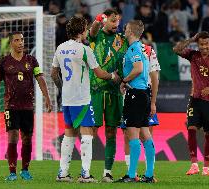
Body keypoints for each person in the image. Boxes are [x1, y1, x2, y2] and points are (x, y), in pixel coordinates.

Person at [51, 16, 120, 183]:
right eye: (85, 29)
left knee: (69, 134)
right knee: (87, 134)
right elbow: (99, 73)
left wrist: (64, 88)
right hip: (82, 99)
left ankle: (63, 173)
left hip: (66, 100)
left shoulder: (60, 48)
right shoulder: (84, 50)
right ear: (82, 31)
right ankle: (85, 174)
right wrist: (113, 76)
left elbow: (54, 74)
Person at [0, 31, 52, 181]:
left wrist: (47, 97)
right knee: (13, 136)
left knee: (27, 138)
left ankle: (25, 170)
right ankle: (12, 172)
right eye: (17, 40)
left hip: (28, 106)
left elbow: (40, 78)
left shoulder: (32, 60)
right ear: (11, 43)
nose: (20, 42)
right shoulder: (3, 62)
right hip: (11, 106)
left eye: (22, 39)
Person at [173, 31, 209, 176]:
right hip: (194, 99)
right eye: (201, 44)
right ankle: (194, 165)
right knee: (191, 128)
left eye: (206, 43)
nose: (203, 47)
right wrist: (191, 39)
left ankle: (206, 169)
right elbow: (176, 49)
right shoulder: (192, 55)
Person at [88, 8, 128, 182]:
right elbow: (92, 31)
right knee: (92, 131)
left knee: (111, 132)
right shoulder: (96, 37)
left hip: (115, 92)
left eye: (118, 21)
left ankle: (107, 172)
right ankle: (85, 171)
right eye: (113, 20)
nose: (116, 24)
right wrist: (97, 21)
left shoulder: (122, 40)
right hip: (96, 90)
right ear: (105, 21)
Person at [117, 20, 155, 183]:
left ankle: (132, 175)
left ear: (131, 31)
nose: (123, 31)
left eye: (125, 29)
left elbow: (138, 68)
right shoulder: (142, 48)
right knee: (145, 133)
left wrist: (124, 81)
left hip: (136, 95)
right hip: (144, 94)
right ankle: (149, 175)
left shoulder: (133, 48)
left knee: (132, 134)